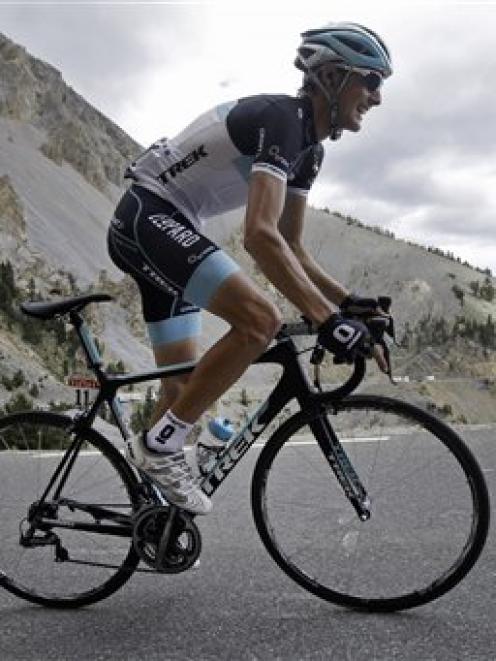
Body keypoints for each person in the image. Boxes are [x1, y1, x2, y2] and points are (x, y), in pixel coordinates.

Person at [107, 21, 393, 515]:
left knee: (180, 389)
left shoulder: (311, 149)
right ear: (331, 74)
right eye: (370, 81)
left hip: (169, 223)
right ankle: (159, 449)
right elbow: (259, 236)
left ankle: (152, 519)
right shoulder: (284, 118)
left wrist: (347, 304)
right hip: (147, 215)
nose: (377, 97)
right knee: (260, 320)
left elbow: (292, 244)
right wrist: (328, 321)